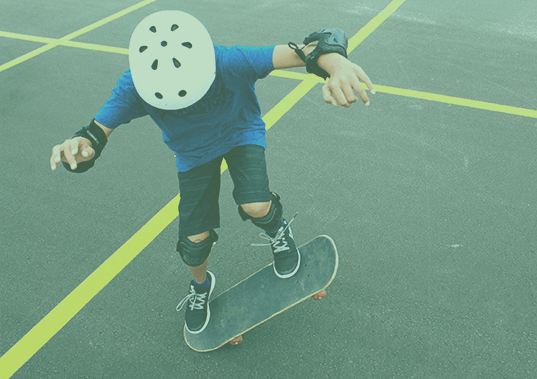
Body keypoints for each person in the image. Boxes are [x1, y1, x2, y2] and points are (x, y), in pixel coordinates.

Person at [49, 10, 375, 335]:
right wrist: (81, 147)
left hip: (240, 133)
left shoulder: (229, 61)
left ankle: (278, 231)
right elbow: (95, 132)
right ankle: (201, 288)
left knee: (255, 205)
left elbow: (314, 46)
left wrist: (337, 65)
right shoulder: (135, 84)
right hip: (193, 154)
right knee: (193, 242)